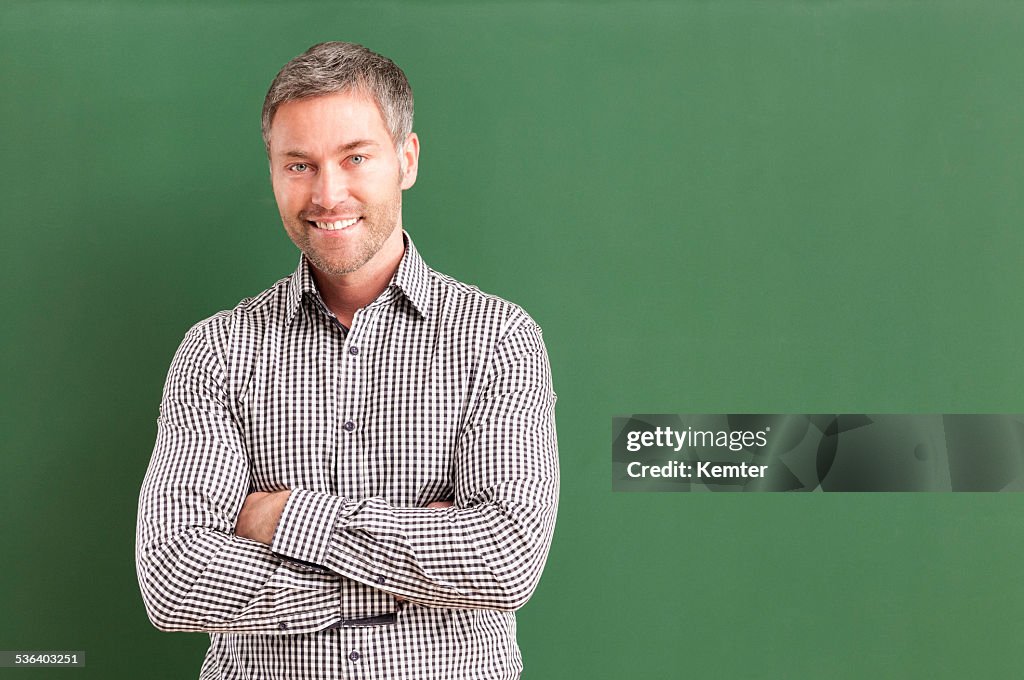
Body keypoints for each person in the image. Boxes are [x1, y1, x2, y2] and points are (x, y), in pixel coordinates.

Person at [136, 41, 559, 679]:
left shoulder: (496, 338)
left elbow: (505, 561)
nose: (327, 193)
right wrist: (406, 575)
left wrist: (278, 516)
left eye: (355, 157)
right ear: (273, 172)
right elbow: (174, 578)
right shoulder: (217, 350)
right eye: (298, 164)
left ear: (406, 159)